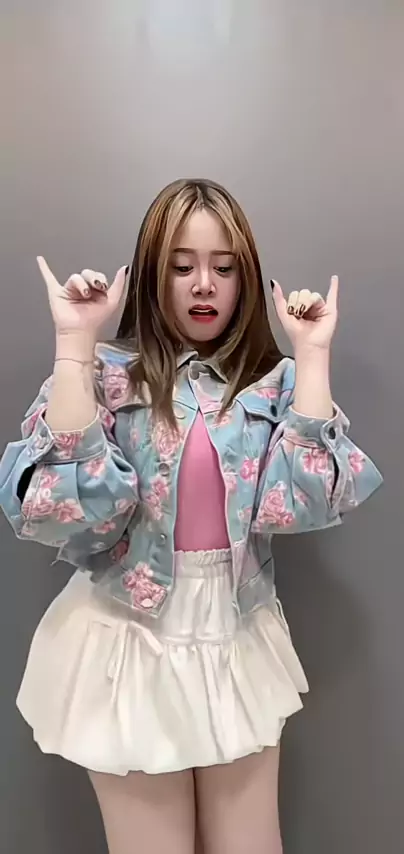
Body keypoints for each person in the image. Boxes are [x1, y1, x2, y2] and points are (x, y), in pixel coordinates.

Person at [0, 178, 382, 854]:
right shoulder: (107, 377)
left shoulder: (272, 385)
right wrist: (74, 344)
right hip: (128, 639)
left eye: (223, 267)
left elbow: (303, 504)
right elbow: (62, 511)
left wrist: (313, 354)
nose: (204, 284)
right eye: (182, 266)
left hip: (235, 631)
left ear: (245, 278)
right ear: (153, 274)